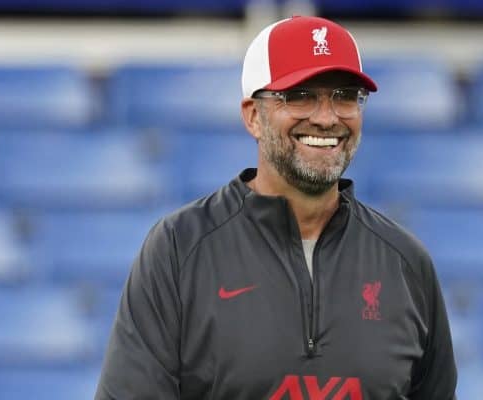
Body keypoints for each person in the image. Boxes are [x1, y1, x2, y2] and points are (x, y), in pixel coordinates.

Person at [95, 15, 457, 399]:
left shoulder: (405, 262)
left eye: (345, 96)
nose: (326, 117)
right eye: (299, 95)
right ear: (253, 115)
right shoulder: (179, 249)